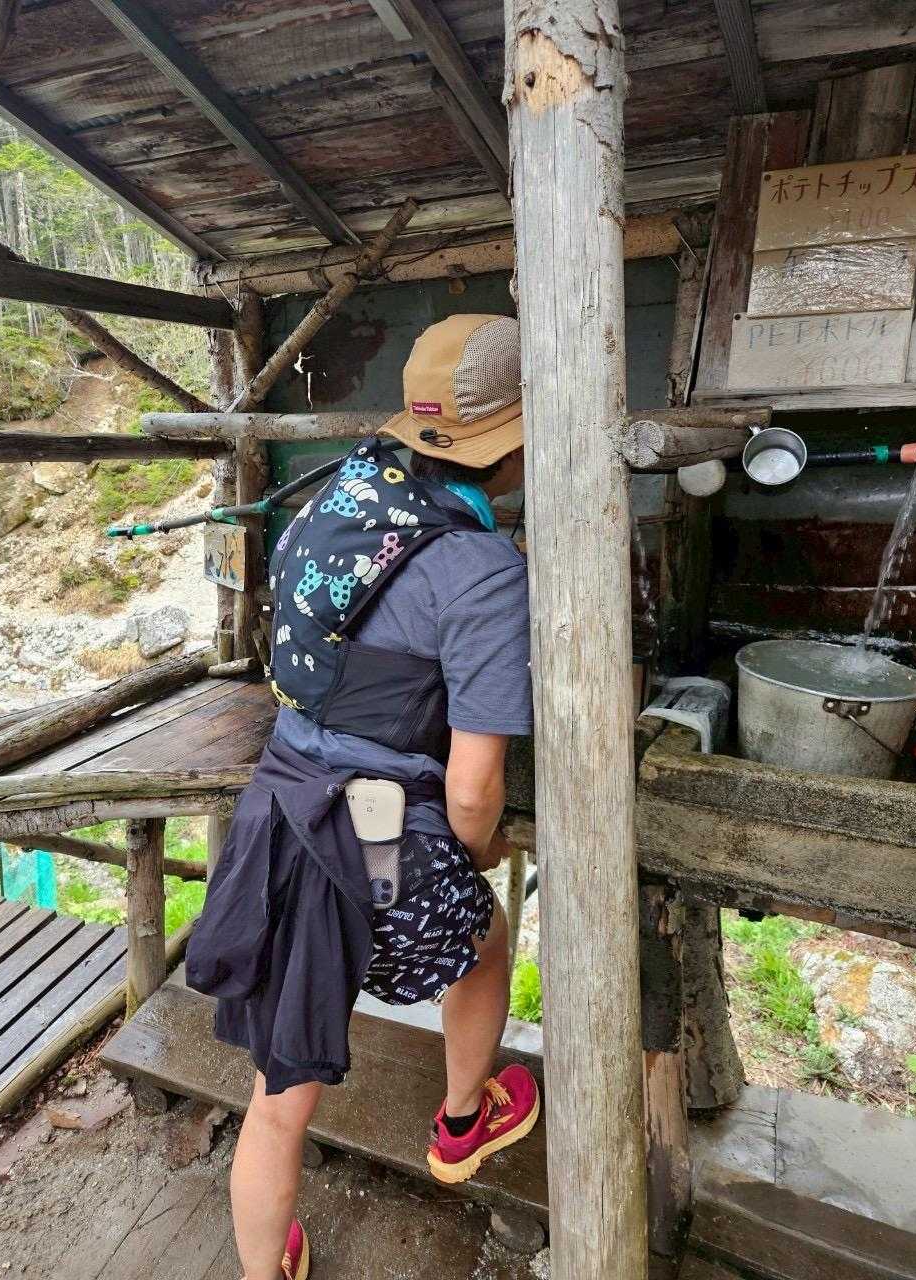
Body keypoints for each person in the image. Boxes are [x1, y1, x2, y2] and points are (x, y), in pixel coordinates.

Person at [186, 313, 538, 1280]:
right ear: (511, 448)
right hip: (380, 839)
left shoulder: (338, 499)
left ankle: (265, 1270)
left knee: (278, 1092)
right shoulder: (482, 571)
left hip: (277, 813)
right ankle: (461, 1122)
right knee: (483, 938)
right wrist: (473, 857)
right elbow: (474, 787)